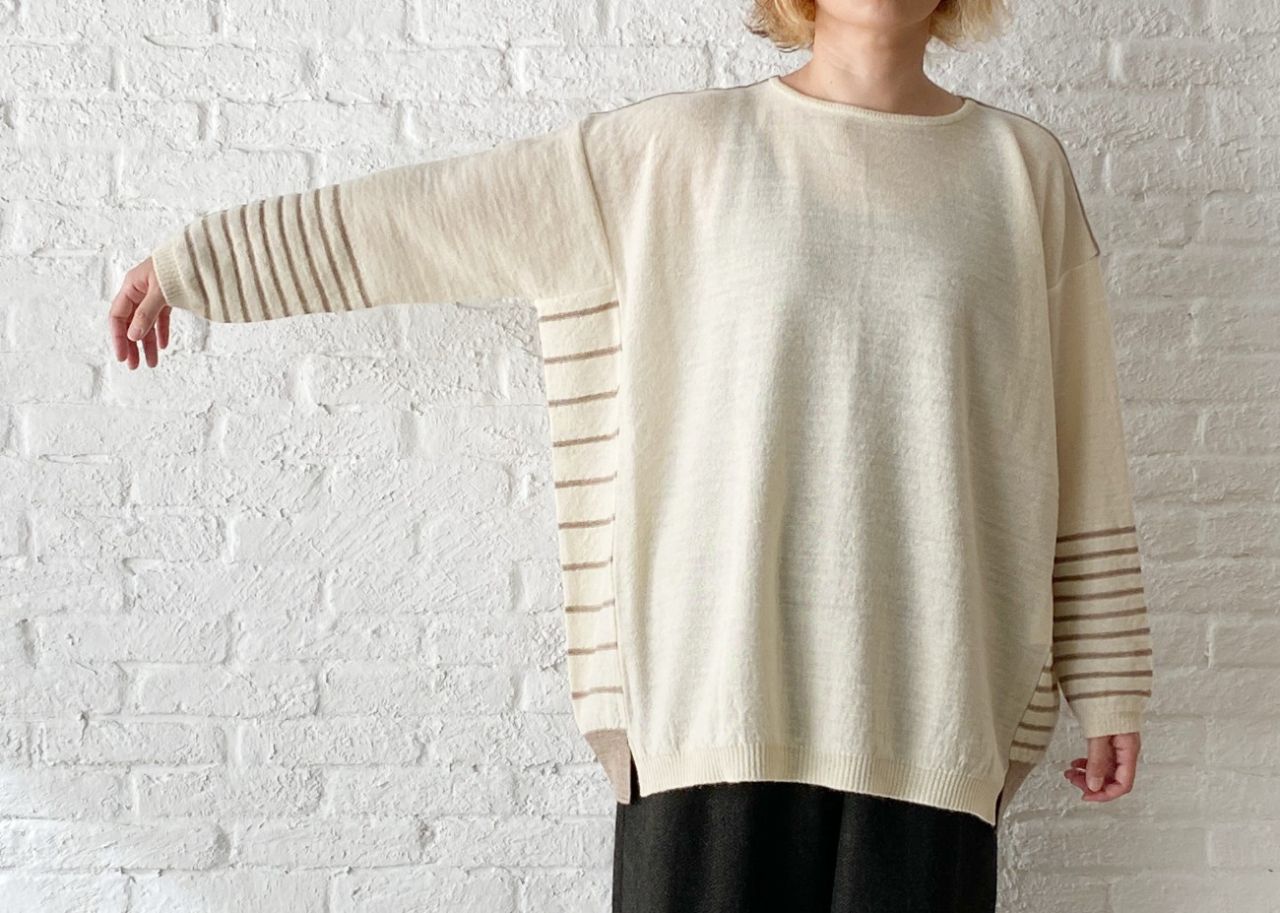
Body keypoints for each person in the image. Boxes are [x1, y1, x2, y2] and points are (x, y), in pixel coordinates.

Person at [108, 0, 1154, 909]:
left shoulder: (1019, 171)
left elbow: (1077, 439)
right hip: (712, 706)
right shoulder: (674, 153)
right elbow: (429, 219)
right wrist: (201, 263)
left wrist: (1106, 680)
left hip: (935, 712)